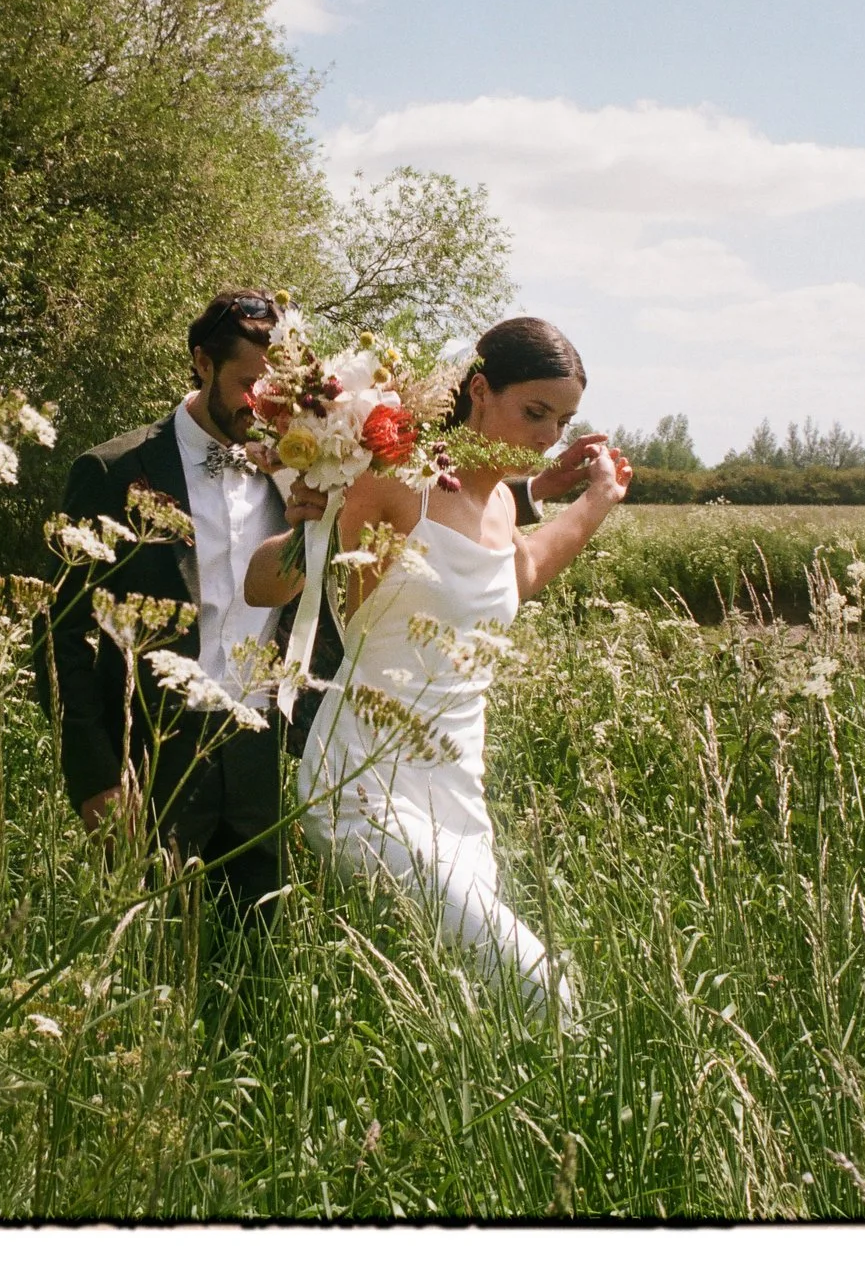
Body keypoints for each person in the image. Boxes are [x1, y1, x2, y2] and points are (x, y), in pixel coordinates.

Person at [49, 292, 606, 920]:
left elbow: (421, 522)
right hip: (152, 746)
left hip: (264, 746)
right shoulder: (116, 471)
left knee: (253, 968)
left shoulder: (301, 459)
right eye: (247, 387)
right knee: (145, 952)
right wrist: (97, 781)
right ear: (202, 365)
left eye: (272, 395)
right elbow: (68, 640)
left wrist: (531, 490)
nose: (260, 408)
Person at [245, 316, 632, 1015]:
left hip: (456, 786)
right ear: (480, 391)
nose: (548, 437)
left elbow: (525, 570)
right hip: (361, 781)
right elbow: (263, 587)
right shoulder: (397, 483)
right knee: (543, 992)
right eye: (534, 412)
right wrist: (309, 522)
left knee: (455, 1006)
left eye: (563, 420)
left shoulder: (499, 508)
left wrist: (598, 500)